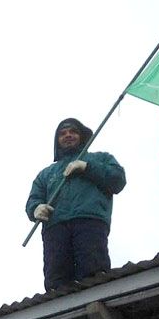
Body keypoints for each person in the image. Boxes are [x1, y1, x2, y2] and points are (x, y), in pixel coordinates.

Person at [26, 117, 126, 291]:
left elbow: (118, 180)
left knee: (94, 274)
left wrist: (87, 167)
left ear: (81, 136)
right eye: (63, 133)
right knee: (56, 280)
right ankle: (61, 316)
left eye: (73, 132)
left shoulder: (101, 158)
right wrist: (36, 208)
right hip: (55, 228)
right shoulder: (46, 173)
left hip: (89, 222)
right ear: (57, 141)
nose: (68, 135)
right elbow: (34, 198)